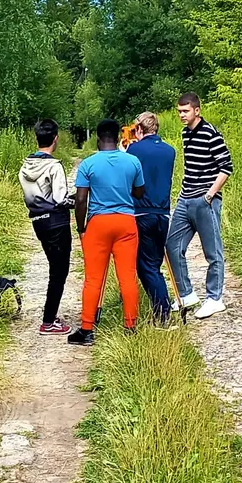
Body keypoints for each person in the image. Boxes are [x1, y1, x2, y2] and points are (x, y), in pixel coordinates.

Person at [68, 118, 145, 346]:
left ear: (99, 138)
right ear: (118, 137)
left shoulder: (88, 164)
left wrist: (81, 227)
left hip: (98, 224)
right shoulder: (132, 161)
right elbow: (140, 193)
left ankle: (86, 330)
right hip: (126, 223)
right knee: (127, 276)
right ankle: (130, 326)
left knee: (93, 279)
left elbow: (81, 199)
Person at [166, 92, 233, 319]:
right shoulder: (186, 133)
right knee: (172, 245)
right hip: (186, 198)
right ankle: (186, 294)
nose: (182, 115)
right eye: (179, 112)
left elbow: (226, 167)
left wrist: (210, 195)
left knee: (213, 252)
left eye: (185, 111)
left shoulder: (210, 134)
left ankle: (215, 298)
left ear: (197, 110)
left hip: (205, 200)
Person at [19, 119, 74, 335]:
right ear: (55, 139)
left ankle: (50, 316)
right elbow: (60, 198)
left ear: (36, 138)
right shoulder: (54, 166)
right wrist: (78, 201)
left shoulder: (25, 166)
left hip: (38, 223)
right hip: (57, 223)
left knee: (54, 268)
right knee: (59, 271)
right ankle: (48, 321)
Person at [126, 111, 176, 326]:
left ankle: (162, 311)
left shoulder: (134, 149)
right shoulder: (169, 151)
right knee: (154, 263)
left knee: (145, 267)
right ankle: (162, 305)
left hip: (141, 211)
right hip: (163, 213)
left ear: (139, 129)